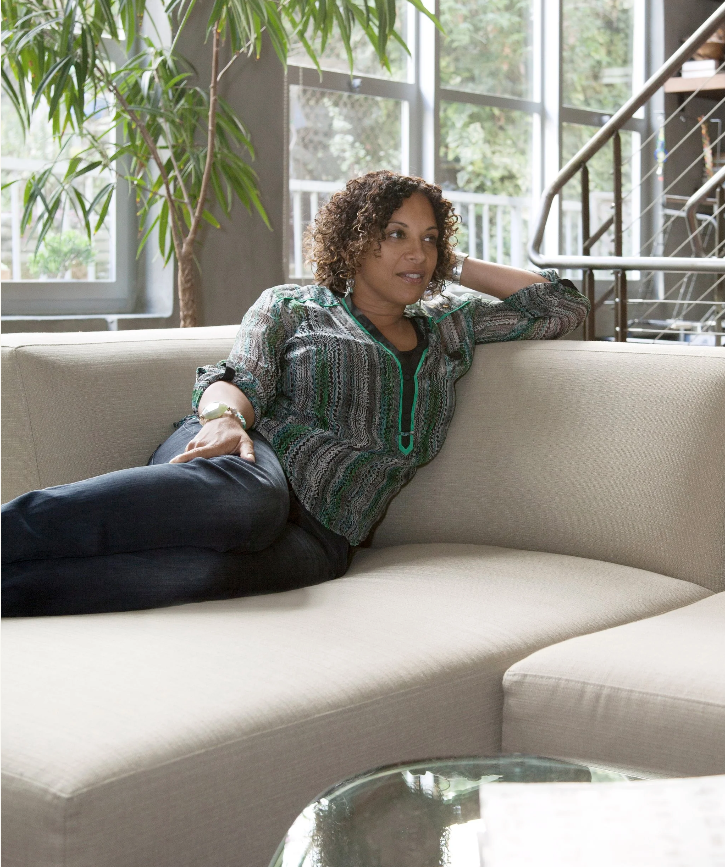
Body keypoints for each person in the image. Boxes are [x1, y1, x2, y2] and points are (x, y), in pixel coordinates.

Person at [2, 170, 589, 617]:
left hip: (325, 535)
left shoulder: (449, 326)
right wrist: (225, 418)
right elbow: (241, 375)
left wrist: (446, 265)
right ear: (353, 243)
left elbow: (561, 306)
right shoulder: (294, 306)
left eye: (429, 239)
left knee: (202, 575)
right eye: (395, 235)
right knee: (250, 506)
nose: (417, 252)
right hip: (244, 460)